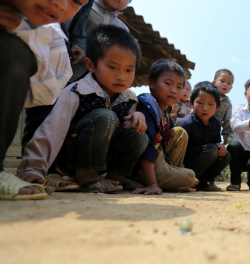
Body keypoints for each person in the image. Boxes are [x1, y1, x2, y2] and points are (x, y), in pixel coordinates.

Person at [17, 24, 148, 194]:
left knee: (139, 134)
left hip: (102, 158)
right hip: (70, 157)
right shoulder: (76, 91)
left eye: (129, 69)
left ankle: (118, 174)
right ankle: (86, 174)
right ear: (91, 65)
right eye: (112, 67)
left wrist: (137, 116)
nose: (121, 76)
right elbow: (52, 129)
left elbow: (127, 129)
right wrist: (33, 168)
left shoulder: (129, 98)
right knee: (105, 117)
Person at [0, 0, 86, 200]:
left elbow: (44, 94)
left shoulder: (35, 29)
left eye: (77, 1)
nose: (60, 5)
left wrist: (20, 28)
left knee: (15, 52)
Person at [131, 59, 197, 195]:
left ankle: (173, 175)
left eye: (179, 87)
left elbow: (174, 141)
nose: (174, 90)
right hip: (140, 167)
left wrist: (180, 170)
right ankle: (146, 179)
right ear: (151, 82)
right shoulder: (148, 104)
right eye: (168, 84)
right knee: (190, 176)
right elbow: (148, 144)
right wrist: (152, 184)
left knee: (180, 132)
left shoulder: (165, 115)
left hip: (159, 162)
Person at [177, 82, 231, 191]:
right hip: (185, 164)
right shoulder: (186, 123)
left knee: (226, 155)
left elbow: (216, 142)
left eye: (210, 104)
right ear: (192, 103)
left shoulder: (216, 123)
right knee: (211, 150)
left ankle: (201, 182)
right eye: (200, 103)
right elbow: (175, 149)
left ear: (217, 107)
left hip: (204, 160)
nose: (205, 108)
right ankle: (186, 180)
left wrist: (221, 147)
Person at [69, 0, 131, 83]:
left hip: (88, 84)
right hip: (62, 66)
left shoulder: (123, 30)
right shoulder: (83, 5)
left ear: (127, 5)